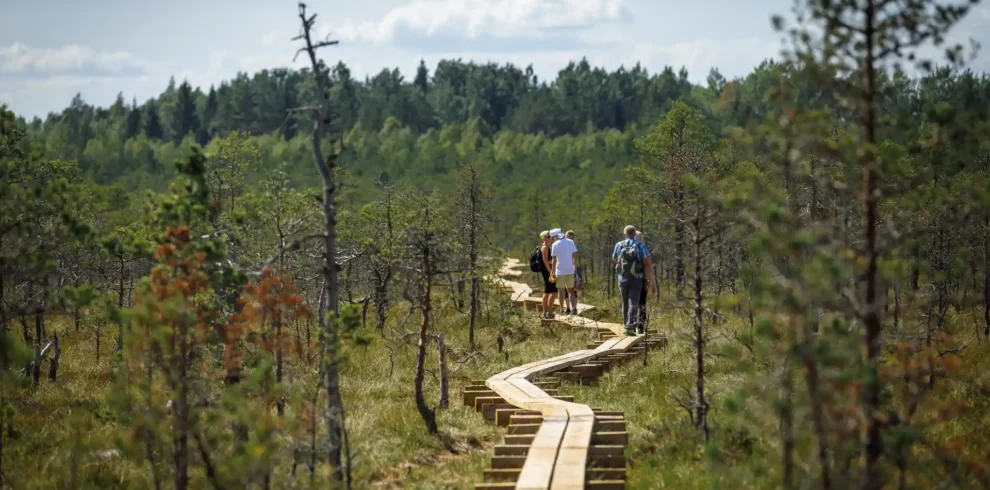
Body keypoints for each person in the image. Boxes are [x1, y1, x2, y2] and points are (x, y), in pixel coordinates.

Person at [612, 225, 657, 335]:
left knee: (625, 303)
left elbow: (614, 258)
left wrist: (623, 265)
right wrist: (650, 280)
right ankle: (631, 327)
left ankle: (626, 326)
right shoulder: (640, 245)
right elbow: (647, 264)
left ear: (625, 233)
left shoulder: (619, 245)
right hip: (637, 278)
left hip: (622, 278)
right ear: (634, 234)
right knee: (634, 302)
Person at [551, 229, 579, 315]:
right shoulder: (571, 242)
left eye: (552, 237)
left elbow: (554, 260)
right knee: (571, 291)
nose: (552, 239)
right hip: (570, 270)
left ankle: (561, 309)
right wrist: (575, 267)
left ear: (555, 236)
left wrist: (552, 271)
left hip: (559, 271)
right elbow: (575, 256)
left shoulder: (555, 244)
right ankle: (574, 309)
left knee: (561, 291)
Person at [559, 230, 581, 314]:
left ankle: (574, 308)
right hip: (565, 269)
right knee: (566, 289)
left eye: (572, 236)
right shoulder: (563, 245)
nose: (570, 238)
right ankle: (568, 307)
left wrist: (575, 268)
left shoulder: (574, 245)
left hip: (572, 269)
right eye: (568, 236)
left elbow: (575, 257)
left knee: (573, 289)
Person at [538, 231, 558, 318]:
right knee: (552, 292)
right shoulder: (545, 247)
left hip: (548, 271)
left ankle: (546, 312)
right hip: (548, 272)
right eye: (548, 236)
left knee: (549, 291)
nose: (550, 237)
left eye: (550, 236)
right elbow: (545, 261)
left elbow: (547, 260)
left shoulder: (546, 247)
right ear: (544, 237)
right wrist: (551, 272)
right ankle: (548, 312)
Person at [635, 231, 649, 334]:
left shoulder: (624, 245)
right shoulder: (642, 246)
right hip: (641, 279)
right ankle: (641, 327)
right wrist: (648, 279)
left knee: (631, 303)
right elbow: (647, 264)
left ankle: (631, 325)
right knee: (642, 303)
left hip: (628, 280)